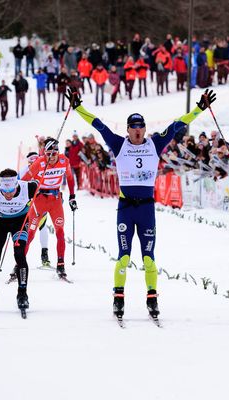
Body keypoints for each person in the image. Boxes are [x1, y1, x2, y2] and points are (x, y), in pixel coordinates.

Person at [67, 86, 216, 320]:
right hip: (126, 208)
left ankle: (152, 298)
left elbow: (178, 124)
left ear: (145, 129)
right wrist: (78, 108)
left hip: (146, 207)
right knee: (124, 256)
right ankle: (118, 298)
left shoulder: (155, 143)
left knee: (148, 257)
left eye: (140, 127)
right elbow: (98, 125)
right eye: (133, 127)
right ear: (127, 129)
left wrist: (199, 108)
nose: (137, 131)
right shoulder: (118, 144)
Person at [0, 169, 39, 314]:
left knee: (20, 255)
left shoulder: (28, 188)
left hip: (19, 222)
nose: (8, 194)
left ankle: (22, 294)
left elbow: (38, 182)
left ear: (16, 185)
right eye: (4, 191)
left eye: (11, 190)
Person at [21, 138, 76, 278]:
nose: (51, 157)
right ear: (44, 153)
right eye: (48, 154)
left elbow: (70, 178)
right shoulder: (39, 163)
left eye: (54, 153)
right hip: (39, 200)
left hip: (55, 200)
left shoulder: (64, 161)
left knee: (60, 232)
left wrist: (72, 196)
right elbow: (24, 180)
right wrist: (24, 198)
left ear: (58, 152)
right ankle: (19, 264)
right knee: (31, 233)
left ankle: (61, 264)